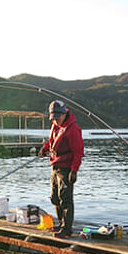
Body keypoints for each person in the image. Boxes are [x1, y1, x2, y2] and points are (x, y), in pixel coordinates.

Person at [39, 100, 84, 239]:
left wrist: (74, 171)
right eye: (54, 117)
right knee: (54, 197)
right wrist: (45, 148)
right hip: (55, 166)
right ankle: (60, 223)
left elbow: (78, 152)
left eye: (58, 117)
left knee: (66, 199)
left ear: (65, 113)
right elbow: (52, 143)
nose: (56, 120)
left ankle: (67, 228)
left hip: (66, 168)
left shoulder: (73, 129)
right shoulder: (55, 126)